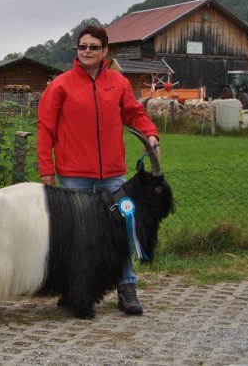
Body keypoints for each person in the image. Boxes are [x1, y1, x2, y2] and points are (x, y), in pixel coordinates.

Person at [37, 24, 159, 316]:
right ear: (77, 50)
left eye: (93, 47)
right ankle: (70, 288)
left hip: (113, 174)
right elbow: (45, 128)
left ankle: (126, 287)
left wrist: (151, 134)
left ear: (105, 50)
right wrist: (46, 169)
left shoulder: (118, 83)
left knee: (123, 229)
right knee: (73, 234)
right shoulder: (61, 85)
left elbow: (134, 113)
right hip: (72, 172)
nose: (87, 51)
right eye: (83, 46)